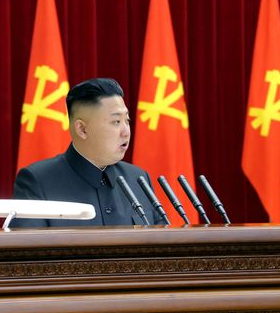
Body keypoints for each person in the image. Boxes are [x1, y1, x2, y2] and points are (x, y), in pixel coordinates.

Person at [10, 78, 165, 227]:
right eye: (116, 122)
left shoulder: (137, 178)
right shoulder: (38, 182)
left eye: (127, 121)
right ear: (82, 129)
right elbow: (29, 249)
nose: (126, 132)